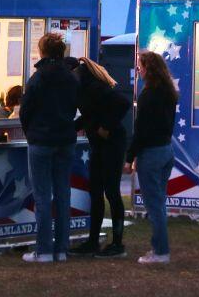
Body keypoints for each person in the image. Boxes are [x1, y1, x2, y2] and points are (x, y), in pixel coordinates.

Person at [19, 32, 79, 264]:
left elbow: (26, 111)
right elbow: (74, 107)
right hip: (65, 140)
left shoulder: (37, 78)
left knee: (43, 197)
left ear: (42, 52)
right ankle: (61, 249)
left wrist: (31, 133)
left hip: (41, 142)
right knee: (63, 194)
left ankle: (43, 250)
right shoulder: (72, 78)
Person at [70, 57, 131, 258]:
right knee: (95, 191)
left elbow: (123, 102)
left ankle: (117, 243)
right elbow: (89, 115)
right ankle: (93, 241)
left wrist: (106, 126)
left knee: (111, 191)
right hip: (99, 144)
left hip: (112, 143)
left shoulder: (93, 87)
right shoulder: (84, 88)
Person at [126, 51, 178, 265]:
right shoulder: (169, 92)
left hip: (152, 154)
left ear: (148, 69)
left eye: (140, 66)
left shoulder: (148, 96)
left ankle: (160, 251)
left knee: (154, 205)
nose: (138, 70)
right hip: (166, 150)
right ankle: (159, 248)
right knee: (159, 202)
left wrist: (130, 157)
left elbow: (141, 131)